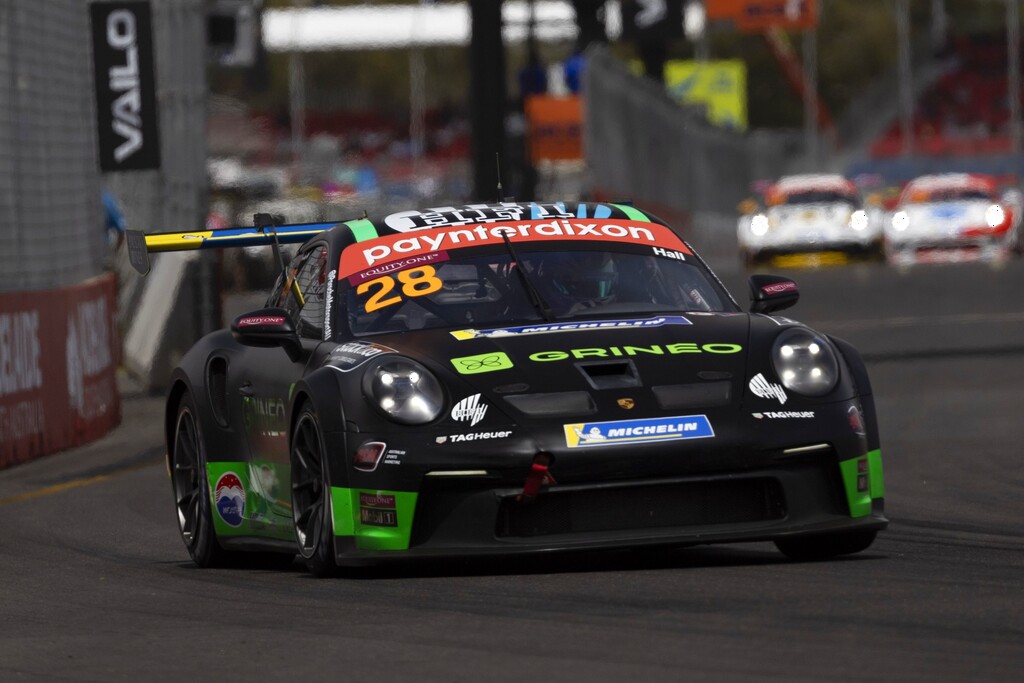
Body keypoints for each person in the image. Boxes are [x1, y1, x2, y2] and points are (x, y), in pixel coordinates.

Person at [532, 251, 619, 315]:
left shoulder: (624, 310)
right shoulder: (531, 314)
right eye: (578, 283)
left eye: (595, 282)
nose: (590, 302)